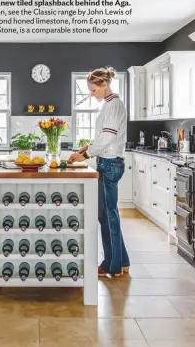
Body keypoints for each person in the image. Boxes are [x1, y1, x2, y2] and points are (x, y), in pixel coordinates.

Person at [68, 66, 130, 277]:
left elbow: (108, 138)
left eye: (93, 90)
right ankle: (122, 262)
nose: (91, 94)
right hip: (109, 161)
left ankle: (111, 266)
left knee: (107, 216)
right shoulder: (110, 105)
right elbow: (104, 136)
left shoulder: (113, 106)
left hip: (110, 163)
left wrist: (85, 156)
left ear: (103, 85)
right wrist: (88, 147)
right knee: (109, 214)